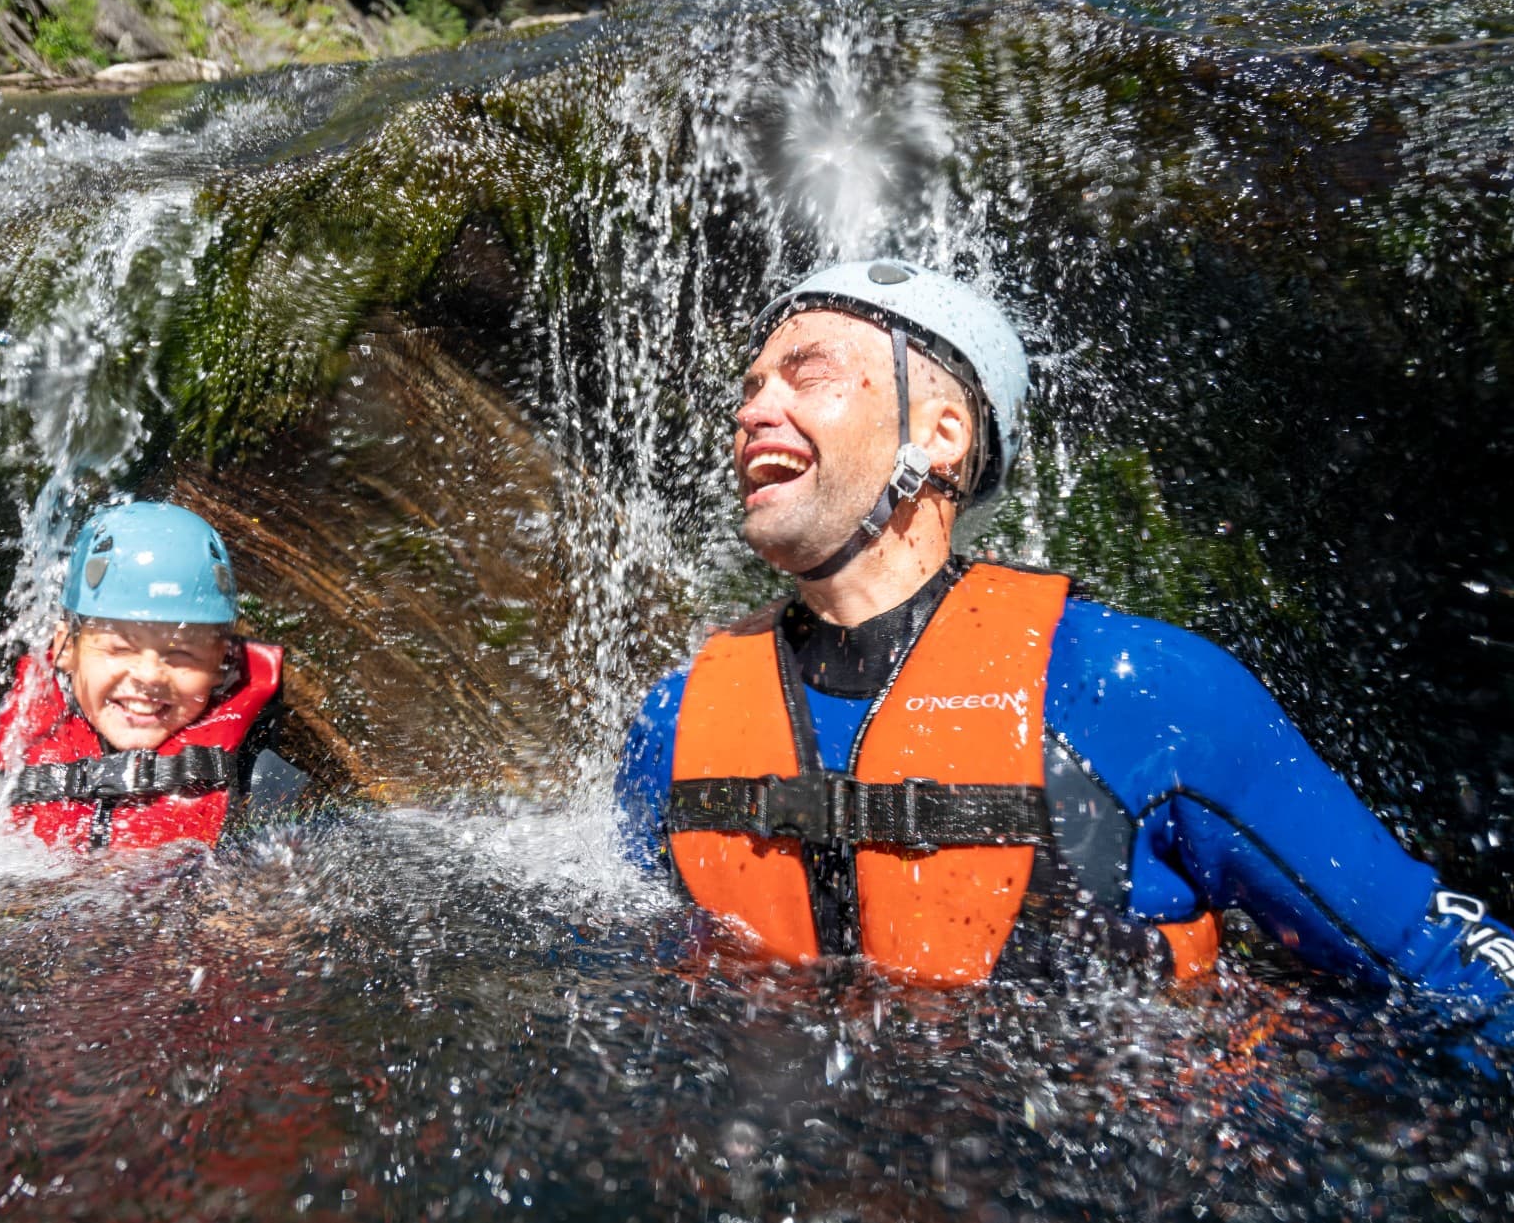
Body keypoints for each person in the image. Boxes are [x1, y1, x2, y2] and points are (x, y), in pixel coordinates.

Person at [616, 258, 1514, 1049]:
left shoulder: (1144, 694)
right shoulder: (674, 720)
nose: (752, 409)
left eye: (804, 375)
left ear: (940, 436)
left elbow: (1447, 973)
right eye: (752, 384)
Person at [0, 500, 309, 852]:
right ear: (66, 648)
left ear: (221, 662)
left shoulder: (261, 785)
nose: (149, 676)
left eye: (181, 655)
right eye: (120, 649)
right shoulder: (20, 754)